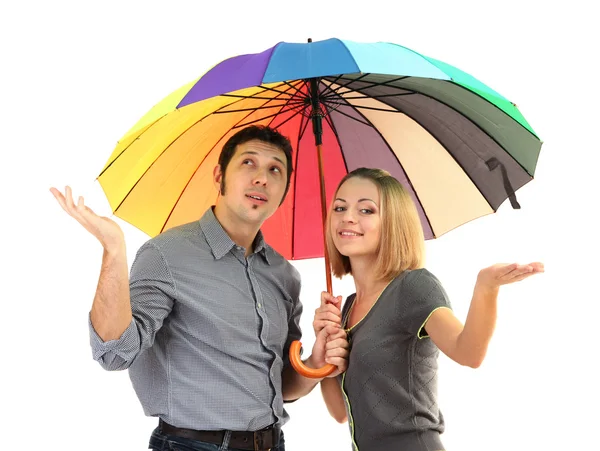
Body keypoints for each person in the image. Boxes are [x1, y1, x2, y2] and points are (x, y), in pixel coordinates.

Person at [50, 125, 349, 451]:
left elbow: (283, 386)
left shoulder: (284, 275)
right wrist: (114, 250)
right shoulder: (165, 255)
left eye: (275, 169)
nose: (262, 178)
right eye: (248, 163)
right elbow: (114, 353)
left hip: (272, 443)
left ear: (284, 191)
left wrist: (316, 362)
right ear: (219, 176)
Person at [313, 168, 544, 451]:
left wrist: (486, 287)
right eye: (339, 207)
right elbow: (340, 413)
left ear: (393, 223)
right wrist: (326, 352)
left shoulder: (413, 287)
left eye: (366, 210)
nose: (348, 217)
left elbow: (468, 353)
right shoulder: (346, 309)